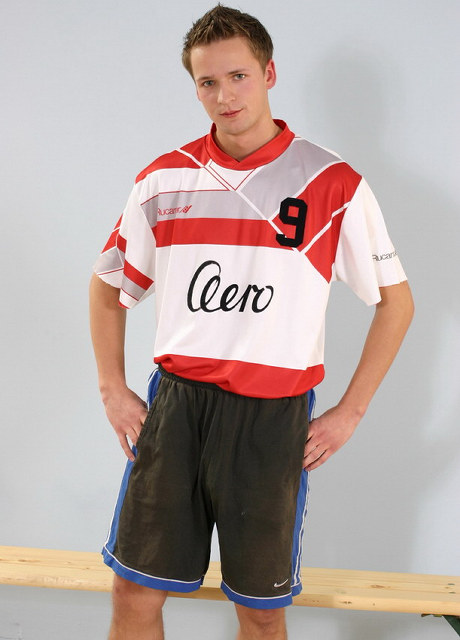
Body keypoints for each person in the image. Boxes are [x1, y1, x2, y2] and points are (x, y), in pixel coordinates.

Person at [89, 5, 414, 639]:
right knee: (133, 590)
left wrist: (350, 412)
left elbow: (395, 303)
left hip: (272, 417)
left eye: (238, 76)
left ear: (269, 73)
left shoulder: (331, 182)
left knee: (262, 612)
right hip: (178, 408)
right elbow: (108, 286)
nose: (224, 95)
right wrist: (112, 388)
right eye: (207, 82)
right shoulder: (163, 179)